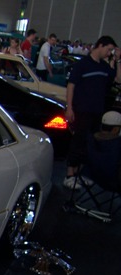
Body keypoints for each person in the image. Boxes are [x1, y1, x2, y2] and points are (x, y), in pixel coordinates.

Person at [64, 35, 121, 188]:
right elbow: (71, 86)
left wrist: (118, 60)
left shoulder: (103, 66)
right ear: (100, 45)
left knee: (90, 143)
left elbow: (118, 79)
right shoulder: (82, 64)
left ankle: (81, 173)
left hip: (97, 111)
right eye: (108, 49)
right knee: (78, 141)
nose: (109, 53)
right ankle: (70, 173)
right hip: (82, 110)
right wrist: (69, 107)